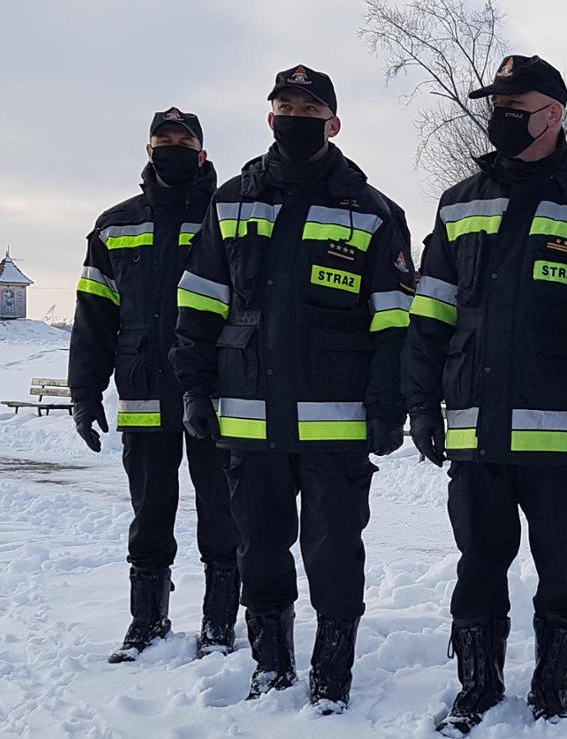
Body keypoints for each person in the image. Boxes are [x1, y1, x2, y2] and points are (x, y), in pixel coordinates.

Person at [403, 54, 567, 734]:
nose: (502, 116)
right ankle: (476, 686)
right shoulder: (459, 201)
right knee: (479, 564)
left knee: (564, 569)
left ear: (555, 114)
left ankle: (553, 688)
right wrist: (421, 404)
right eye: (497, 106)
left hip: (564, 439)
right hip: (477, 434)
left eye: (517, 106)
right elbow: (430, 316)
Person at [171, 66, 413, 712]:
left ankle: (332, 675)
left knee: (335, 555)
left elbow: (394, 323)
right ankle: (270, 667)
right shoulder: (230, 201)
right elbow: (198, 306)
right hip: (250, 420)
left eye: (307, 106)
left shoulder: (373, 211)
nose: (293, 114)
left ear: (332, 123)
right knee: (260, 553)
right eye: (284, 104)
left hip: (337, 427)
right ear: (268, 115)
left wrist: (390, 407)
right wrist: (193, 390)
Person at [69, 108, 240, 663]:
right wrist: (84, 391)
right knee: (150, 511)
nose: (171, 147)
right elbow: (94, 317)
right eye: (162, 140)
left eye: (182, 139)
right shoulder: (114, 225)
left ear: (202, 152)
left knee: (223, 510)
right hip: (143, 391)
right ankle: (146, 622)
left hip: (217, 392)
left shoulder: (230, 215)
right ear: (149, 151)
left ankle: (219, 623)